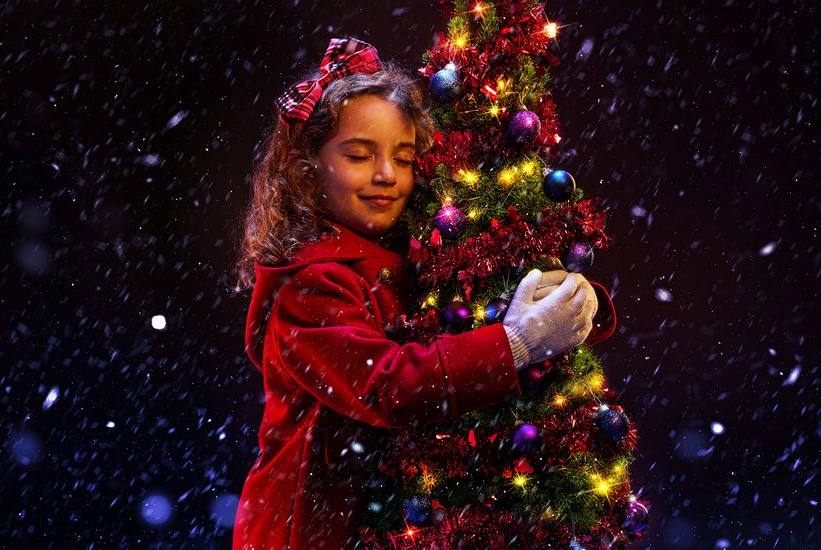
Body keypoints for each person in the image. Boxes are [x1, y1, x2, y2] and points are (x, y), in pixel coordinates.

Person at [231, 37, 618, 549]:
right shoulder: (309, 288)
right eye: (359, 155)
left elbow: (464, 313)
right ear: (308, 170)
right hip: (309, 535)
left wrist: (570, 303)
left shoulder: (421, 250)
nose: (386, 174)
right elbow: (389, 385)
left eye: (404, 157)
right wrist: (517, 343)